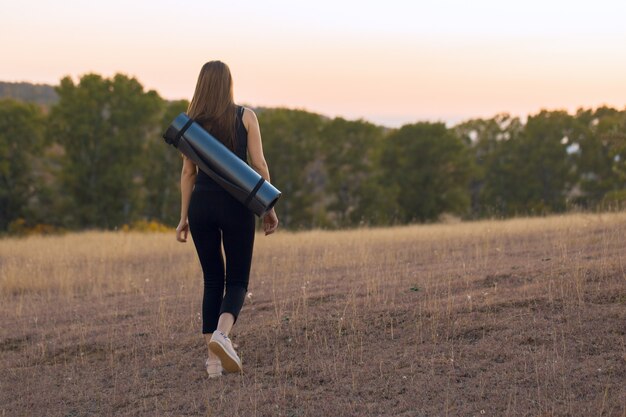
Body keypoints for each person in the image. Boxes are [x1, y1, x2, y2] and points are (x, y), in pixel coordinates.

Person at [175, 61, 279, 377]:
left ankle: (212, 363)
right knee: (236, 281)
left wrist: (183, 218)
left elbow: (188, 173)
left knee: (212, 280)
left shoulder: (190, 124)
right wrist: (269, 207)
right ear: (228, 84)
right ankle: (222, 334)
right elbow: (259, 164)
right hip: (237, 204)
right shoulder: (245, 117)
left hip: (201, 206)